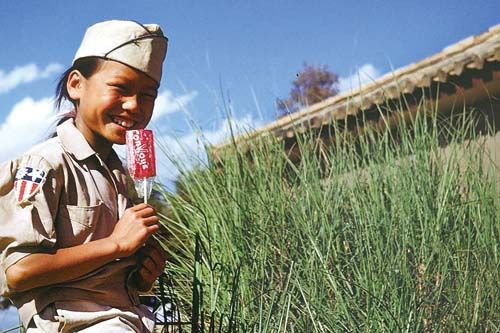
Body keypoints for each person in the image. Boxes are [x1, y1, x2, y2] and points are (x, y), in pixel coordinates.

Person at [0, 20, 169, 332]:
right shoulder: (43, 164)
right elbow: (19, 271)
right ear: (76, 85)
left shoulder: (120, 175)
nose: (134, 105)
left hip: (130, 318)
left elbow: (106, 273)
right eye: (120, 88)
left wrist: (140, 274)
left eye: (148, 94)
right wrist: (117, 245)